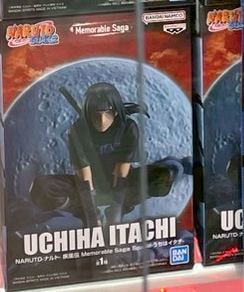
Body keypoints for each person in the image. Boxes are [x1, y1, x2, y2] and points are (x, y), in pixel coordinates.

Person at [28, 81, 178, 231]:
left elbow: (122, 171)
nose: (102, 120)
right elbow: (84, 175)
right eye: (96, 114)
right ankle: (81, 210)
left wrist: (116, 211)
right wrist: (91, 214)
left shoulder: (128, 128)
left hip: (121, 183)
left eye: (108, 113)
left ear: (116, 111)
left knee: (162, 178)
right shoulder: (78, 130)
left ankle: (124, 206)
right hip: (86, 186)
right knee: (42, 190)